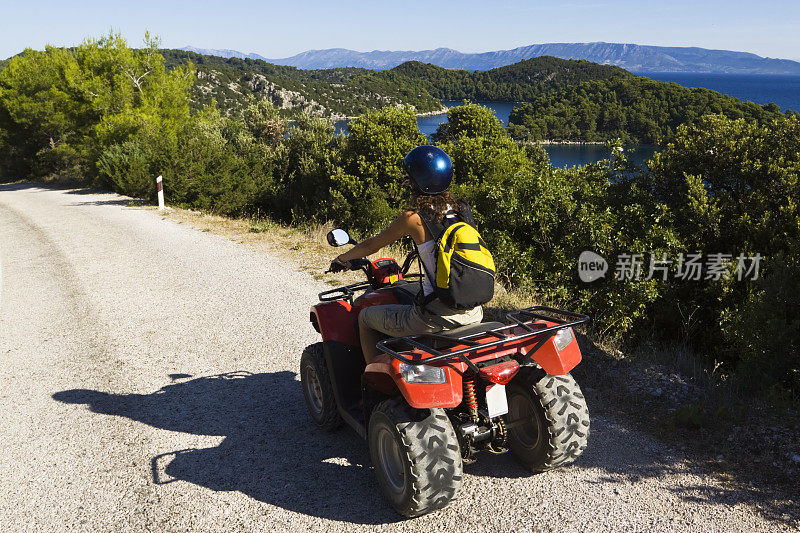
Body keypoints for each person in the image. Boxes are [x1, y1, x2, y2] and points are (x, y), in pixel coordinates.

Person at [329, 145, 483, 363]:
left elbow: (372, 245)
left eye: (409, 179)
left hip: (437, 318)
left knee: (364, 317)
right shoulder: (462, 210)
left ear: (416, 182)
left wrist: (342, 259)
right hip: (474, 311)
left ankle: (373, 385)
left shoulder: (414, 218)